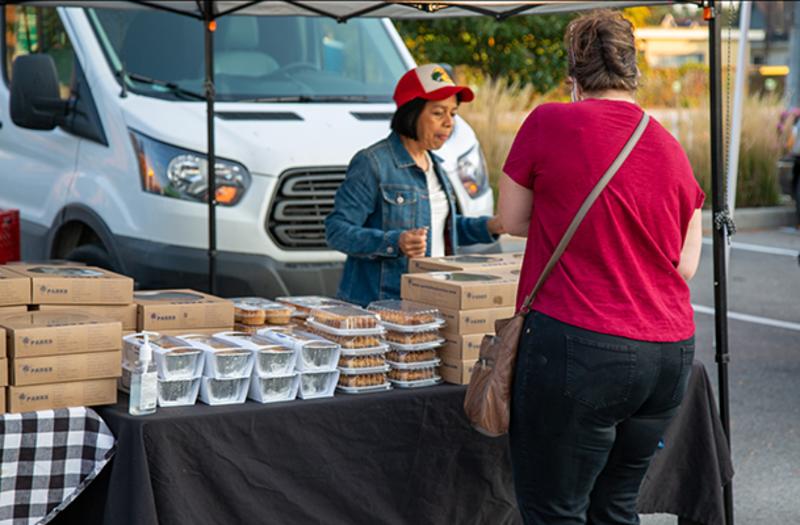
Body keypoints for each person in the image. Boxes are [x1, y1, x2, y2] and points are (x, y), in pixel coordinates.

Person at [498, 10, 704, 525]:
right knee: (615, 507)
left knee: (555, 511)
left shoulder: (549, 121)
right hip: (667, 353)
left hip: (580, 344)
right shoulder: (670, 146)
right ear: (634, 71)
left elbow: (511, 220)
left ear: (574, 73)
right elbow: (685, 266)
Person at [325, 64, 504, 307]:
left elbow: (443, 227)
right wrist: (394, 242)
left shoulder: (437, 164)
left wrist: (492, 225)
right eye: (438, 113)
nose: (449, 123)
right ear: (411, 113)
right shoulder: (372, 163)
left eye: (453, 113)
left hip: (430, 302)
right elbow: (336, 231)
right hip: (380, 308)